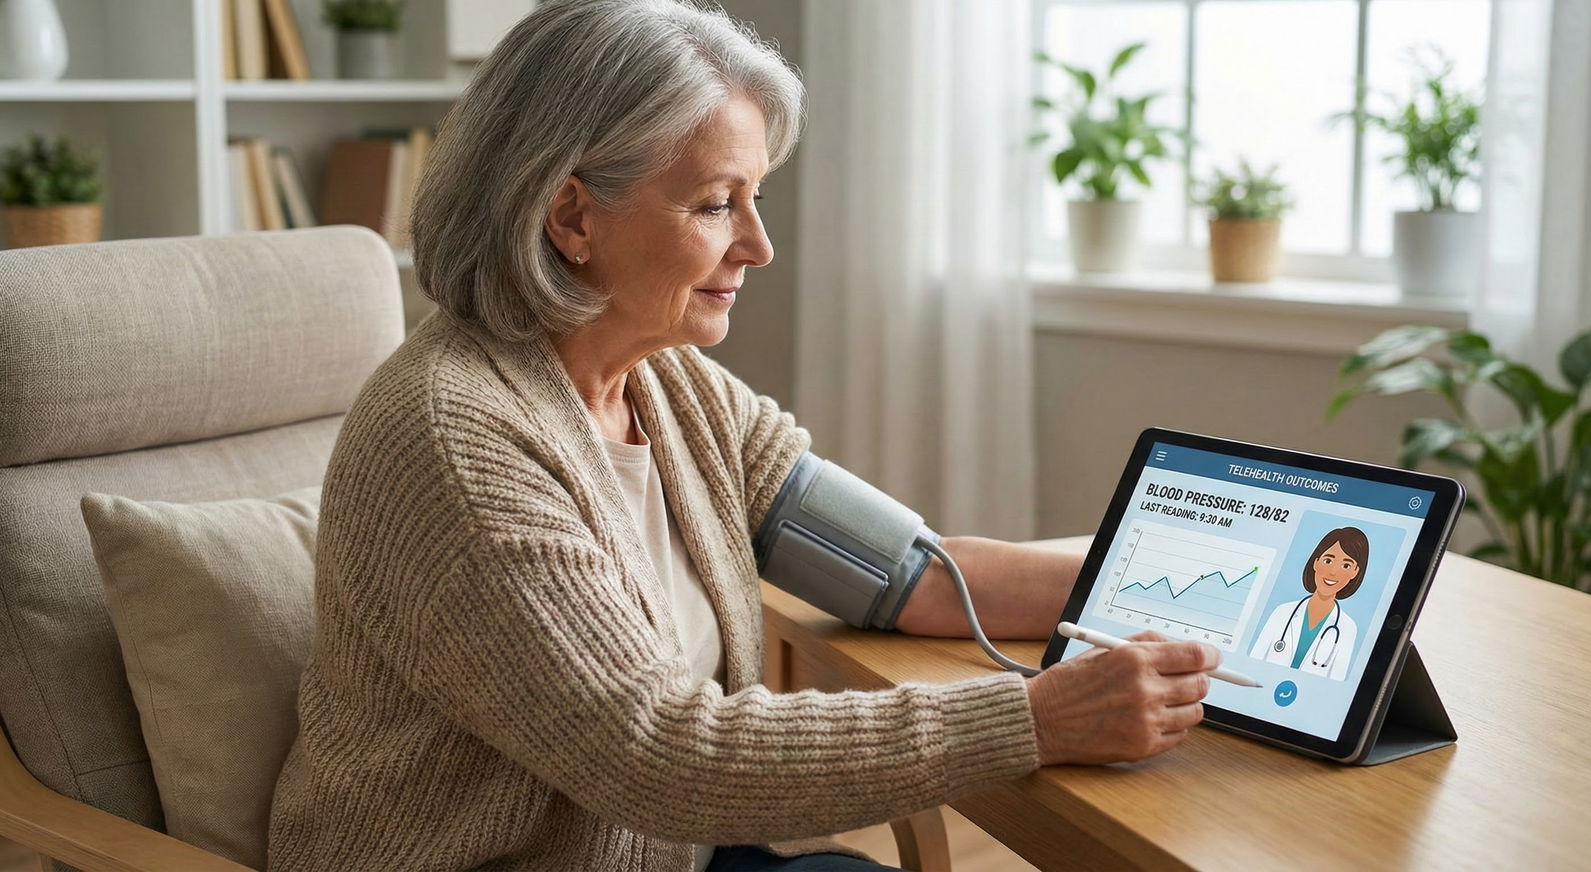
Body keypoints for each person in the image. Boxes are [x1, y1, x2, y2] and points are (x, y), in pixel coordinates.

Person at [266, 2, 1217, 870]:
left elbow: (913, 574)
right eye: (717, 203)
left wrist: (1192, 607)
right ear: (571, 217)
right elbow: (660, 754)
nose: (758, 245)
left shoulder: (667, 383)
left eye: (753, 197)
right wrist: (1034, 718)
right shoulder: (458, 442)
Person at [1249, 527, 1367, 680]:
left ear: (1355, 572)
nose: (1333, 572)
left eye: (1346, 565)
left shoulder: (1348, 628)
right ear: (1316, 562)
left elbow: (1334, 685)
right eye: (1328, 560)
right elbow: (1251, 665)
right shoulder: (1282, 612)